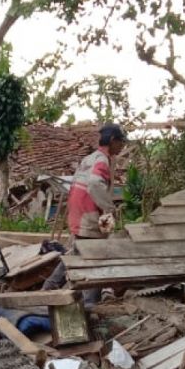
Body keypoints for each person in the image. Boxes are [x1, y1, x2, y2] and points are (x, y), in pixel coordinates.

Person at [43, 123, 127, 303]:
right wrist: (108, 208)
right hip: (89, 214)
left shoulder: (90, 158)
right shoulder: (102, 160)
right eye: (121, 142)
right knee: (96, 257)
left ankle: (48, 288)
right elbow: (95, 183)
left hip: (78, 212)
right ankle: (90, 303)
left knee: (77, 252)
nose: (122, 146)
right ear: (112, 140)